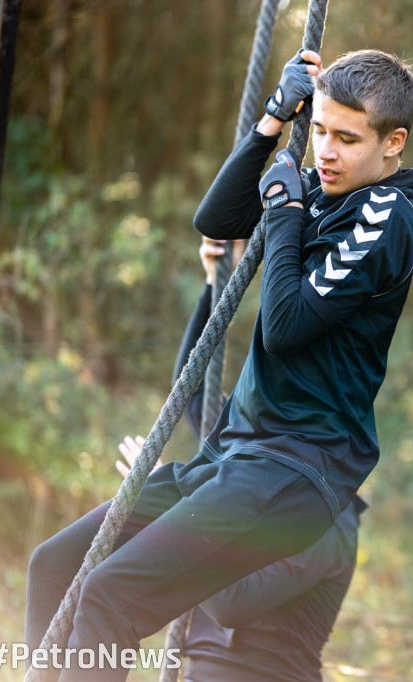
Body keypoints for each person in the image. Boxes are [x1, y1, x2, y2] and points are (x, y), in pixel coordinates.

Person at [25, 47, 413, 682]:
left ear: (393, 141)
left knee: (110, 596)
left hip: (296, 469)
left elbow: (286, 325)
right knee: (56, 564)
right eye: (317, 130)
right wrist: (271, 123)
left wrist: (288, 213)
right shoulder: (324, 186)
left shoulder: (386, 217)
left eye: (347, 138)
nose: (324, 151)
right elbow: (217, 219)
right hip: (234, 456)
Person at [112, 237, 366, 682]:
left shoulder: (332, 517)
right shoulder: (255, 456)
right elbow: (192, 391)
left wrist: (170, 506)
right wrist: (216, 284)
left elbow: (233, 604)